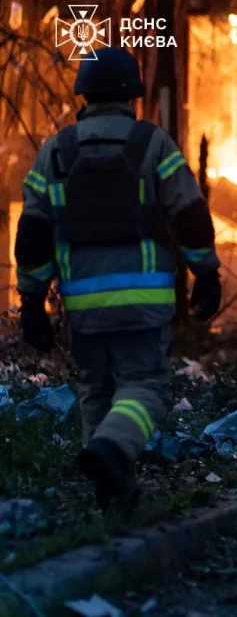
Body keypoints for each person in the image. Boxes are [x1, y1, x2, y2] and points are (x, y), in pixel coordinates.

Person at [14, 47, 221, 513]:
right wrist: (205, 271)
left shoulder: (57, 151)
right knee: (145, 388)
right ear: (132, 96)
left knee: (97, 390)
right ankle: (110, 450)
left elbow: (33, 231)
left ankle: (114, 493)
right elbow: (189, 213)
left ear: (83, 95)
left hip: (83, 303)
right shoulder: (152, 144)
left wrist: (32, 301)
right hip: (142, 301)